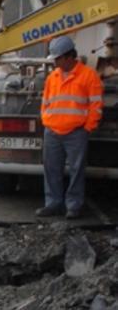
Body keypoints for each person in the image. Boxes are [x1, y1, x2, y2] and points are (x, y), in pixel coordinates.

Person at [36, 35, 103, 219]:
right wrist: (46, 120)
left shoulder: (89, 76)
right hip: (52, 131)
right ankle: (53, 204)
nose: (55, 62)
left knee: (76, 170)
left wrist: (87, 127)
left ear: (68, 57)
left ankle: (73, 206)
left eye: (57, 58)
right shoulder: (53, 77)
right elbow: (46, 102)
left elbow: (95, 105)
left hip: (76, 132)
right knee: (51, 169)